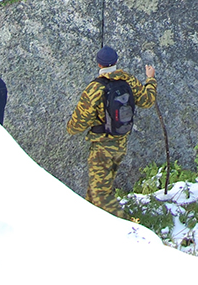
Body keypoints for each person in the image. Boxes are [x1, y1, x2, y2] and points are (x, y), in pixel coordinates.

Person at [67, 45, 156, 218]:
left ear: (99, 64)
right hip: (121, 143)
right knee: (96, 191)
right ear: (115, 62)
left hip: (102, 147)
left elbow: (77, 125)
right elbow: (147, 100)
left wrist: (70, 126)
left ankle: (130, 228)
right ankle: (91, 226)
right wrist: (150, 79)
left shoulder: (95, 88)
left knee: (101, 195)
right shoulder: (128, 80)